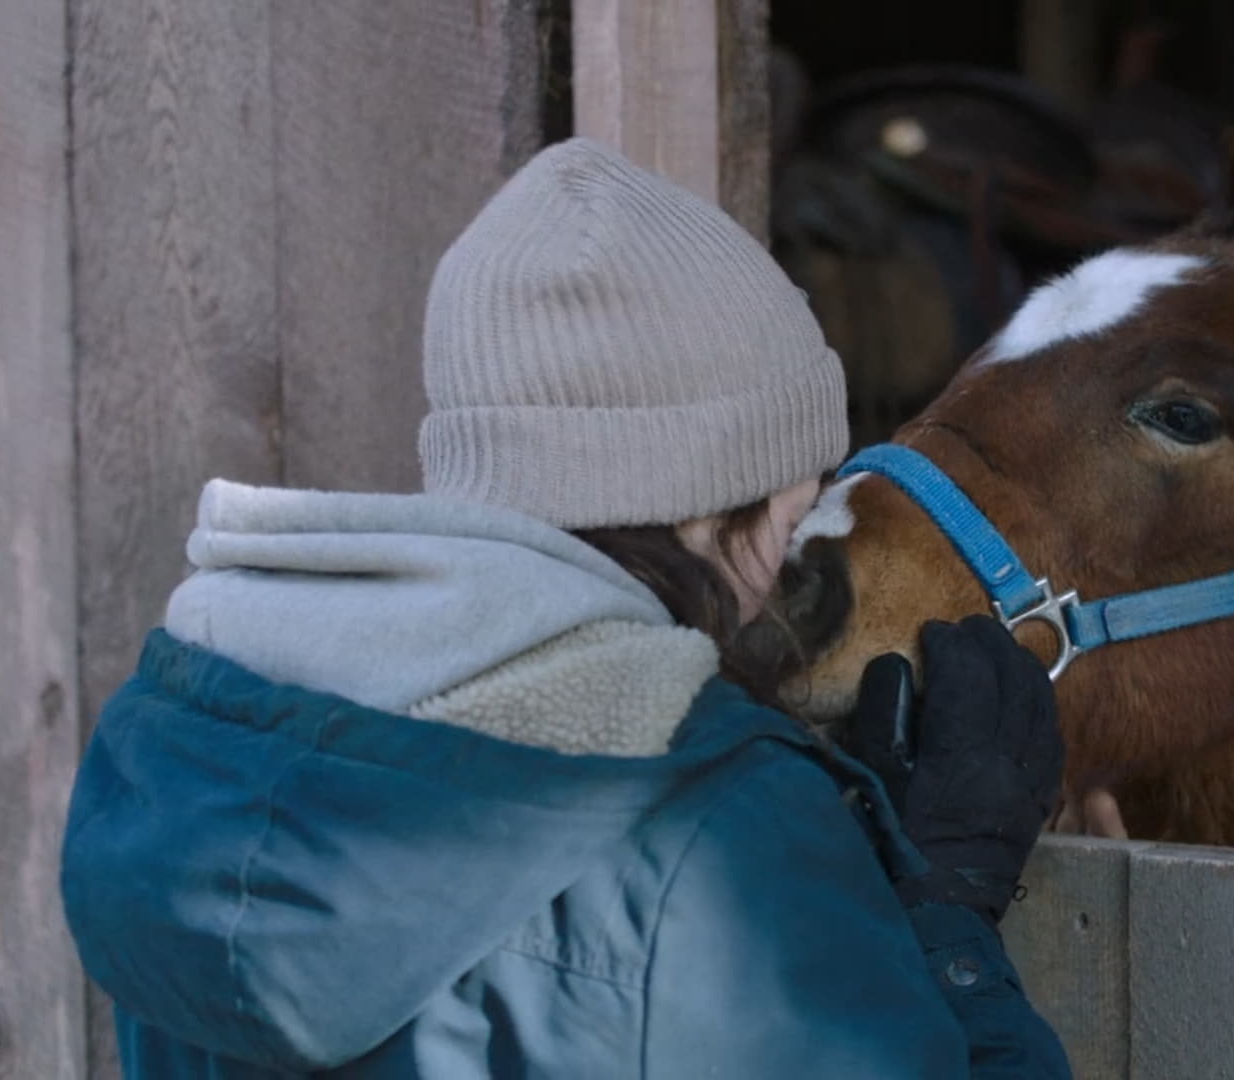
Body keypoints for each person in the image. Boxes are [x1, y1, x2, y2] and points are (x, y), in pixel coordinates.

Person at [59, 137, 1072, 1078]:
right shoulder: (705, 828)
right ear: (723, 501)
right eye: (796, 515)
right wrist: (947, 913)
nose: (781, 573)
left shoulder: (191, 747)